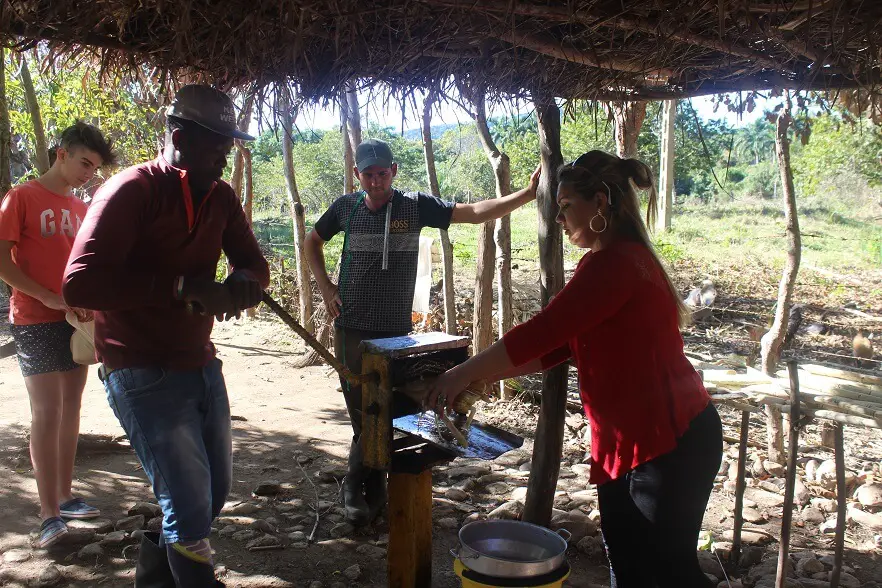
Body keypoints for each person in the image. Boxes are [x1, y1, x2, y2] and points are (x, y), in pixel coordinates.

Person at [428, 151, 723, 588]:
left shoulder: (615, 265)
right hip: (639, 437)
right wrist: (479, 376)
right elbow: (561, 346)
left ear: (600, 202)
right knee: (633, 566)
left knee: (665, 573)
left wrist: (459, 373)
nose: (560, 220)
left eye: (566, 207)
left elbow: (544, 331)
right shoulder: (613, 260)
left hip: (669, 440)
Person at [62, 85, 269, 588]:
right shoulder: (132, 190)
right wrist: (179, 288)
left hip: (199, 360)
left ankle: (154, 580)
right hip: (141, 369)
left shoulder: (220, 197)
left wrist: (243, 284)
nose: (225, 157)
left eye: (228, 146)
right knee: (189, 502)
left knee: (212, 492)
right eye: (216, 146)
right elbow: (79, 283)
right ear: (179, 137)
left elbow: (253, 264)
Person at [305, 138, 540, 526]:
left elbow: (476, 212)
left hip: (395, 334)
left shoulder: (415, 207)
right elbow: (312, 242)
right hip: (350, 329)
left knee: (384, 408)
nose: (376, 181)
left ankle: (359, 484)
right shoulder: (344, 209)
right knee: (363, 413)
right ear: (357, 175)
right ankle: (368, 487)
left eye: (383, 173)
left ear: (394, 171)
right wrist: (327, 287)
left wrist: (527, 195)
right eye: (368, 175)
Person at [0, 121, 115, 548]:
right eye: (85, 162)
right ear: (62, 153)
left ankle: (65, 497)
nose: (89, 173)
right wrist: (44, 296)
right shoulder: (22, 197)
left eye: (95, 168)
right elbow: (3, 261)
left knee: (71, 410)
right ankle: (48, 515)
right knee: (46, 413)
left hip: (76, 321)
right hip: (34, 318)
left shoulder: (82, 210)